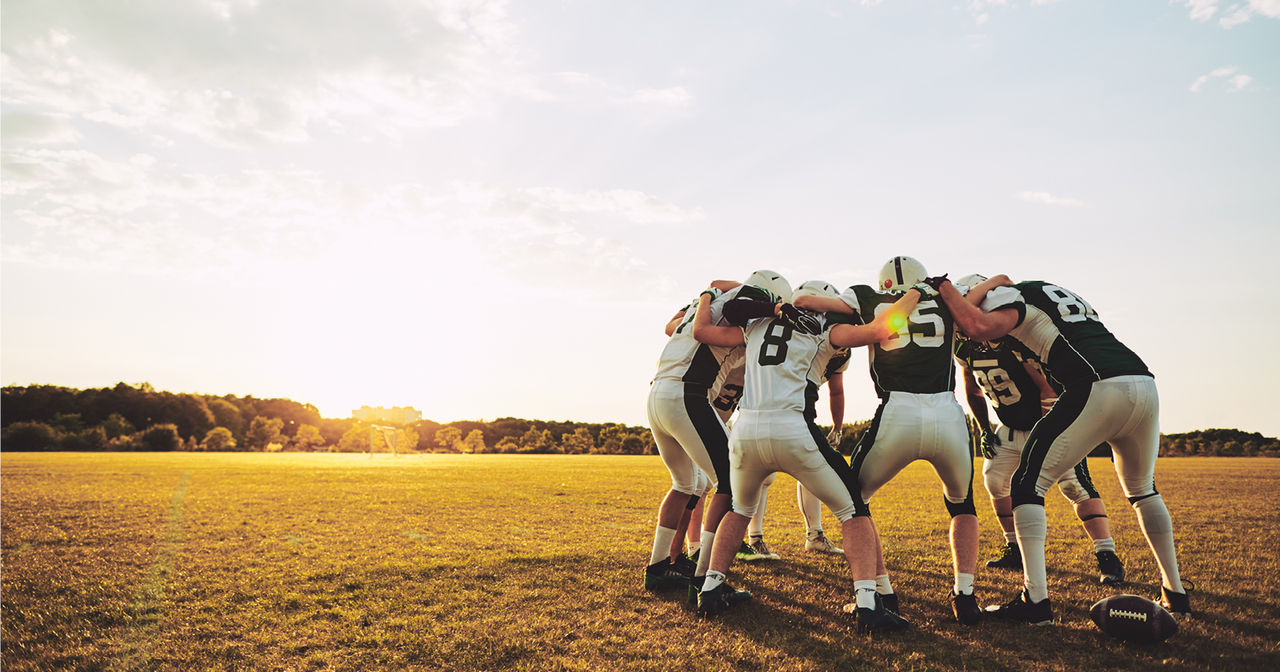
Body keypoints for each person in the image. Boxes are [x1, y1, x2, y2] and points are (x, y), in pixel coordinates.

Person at [935, 274, 1191, 624]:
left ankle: (1035, 602)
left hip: (1096, 384)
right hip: (1142, 381)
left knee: (1026, 486)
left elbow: (976, 324)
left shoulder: (1011, 299)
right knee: (1143, 490)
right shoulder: (1050, 293)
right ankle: (1175, 591)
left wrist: (946, 289)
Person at [690, 279, 929, 633]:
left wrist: (716, 296)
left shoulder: (756, 324)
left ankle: (711, 588)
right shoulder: (825, 328)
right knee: (853, 510)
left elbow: (705, 332)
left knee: (741, 508)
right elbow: (883, 328)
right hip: (792, 427)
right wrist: (916, 295)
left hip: (746, 431)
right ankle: (867, 602)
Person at [794, 256, 993, 626]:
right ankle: (965, 596)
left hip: (897, 410)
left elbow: (811, 302)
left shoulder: (867, 296)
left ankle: (882, 592)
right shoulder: (944, 296)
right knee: (963, 504)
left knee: (855, 501)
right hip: (948, 412)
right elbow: (984, 292)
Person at [950, 278, 1125, 585]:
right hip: (1010, 426)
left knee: (1074, 485)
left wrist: (1049, 430)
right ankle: (1014, 547)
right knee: (994, 480)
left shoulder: (1011, 337)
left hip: (1047, 422)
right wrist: (983, 429)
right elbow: (973, 391)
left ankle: (1107, 555)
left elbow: (1047, 388)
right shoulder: (965, 348)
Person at [641, 271, 791, 594]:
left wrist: (710, 292)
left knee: (686, 483)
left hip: (657, 395)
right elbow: (729, 321)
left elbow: (679, 321)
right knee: (732, 482)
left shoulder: (707, 302)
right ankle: (705, 575)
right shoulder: (736, 314)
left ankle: (658, 567)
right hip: (687, 393)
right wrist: (773, 311)